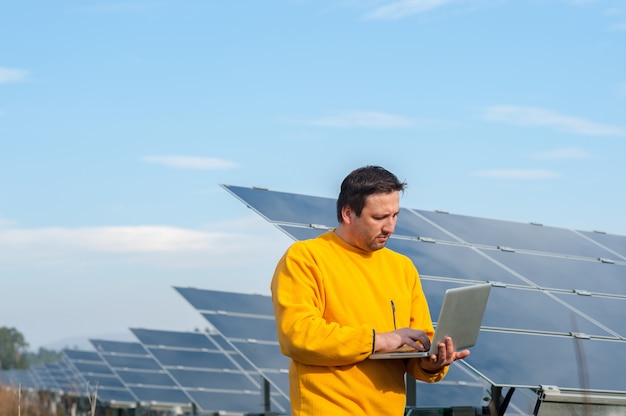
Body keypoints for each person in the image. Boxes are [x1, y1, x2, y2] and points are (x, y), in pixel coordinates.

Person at [270, 165, 470, 415]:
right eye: (379, 218)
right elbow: (297, 336)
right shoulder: (306, 258)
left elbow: (418, 347)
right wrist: (378, 340)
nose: (391, 227)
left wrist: (433, 363)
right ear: (348, 213)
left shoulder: (402, 267)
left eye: (395, 215)